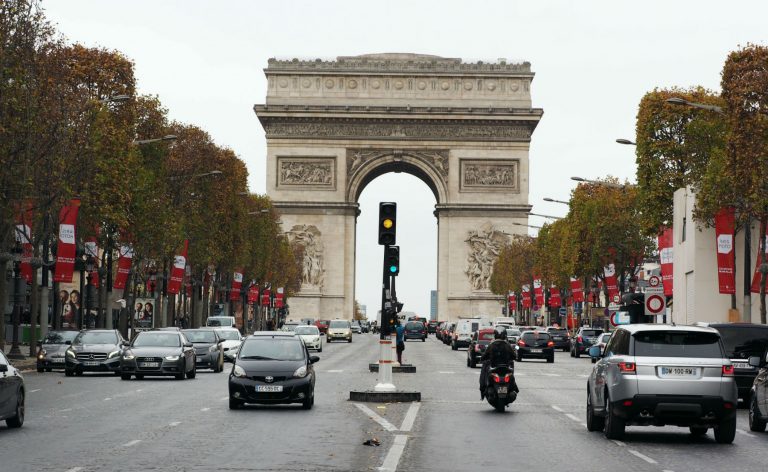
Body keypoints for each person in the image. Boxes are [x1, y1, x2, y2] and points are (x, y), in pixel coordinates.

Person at [479, 327, 518, 399]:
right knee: (511, 375)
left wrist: (483, 358)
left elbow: (484, 356)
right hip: (505, 368)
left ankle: (483, 389)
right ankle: (514, 389)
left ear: (495, 335)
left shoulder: (492, 345)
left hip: (494, 368)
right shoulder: (507, 345)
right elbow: (514, 356)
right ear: (505, 335)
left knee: (484, 372)